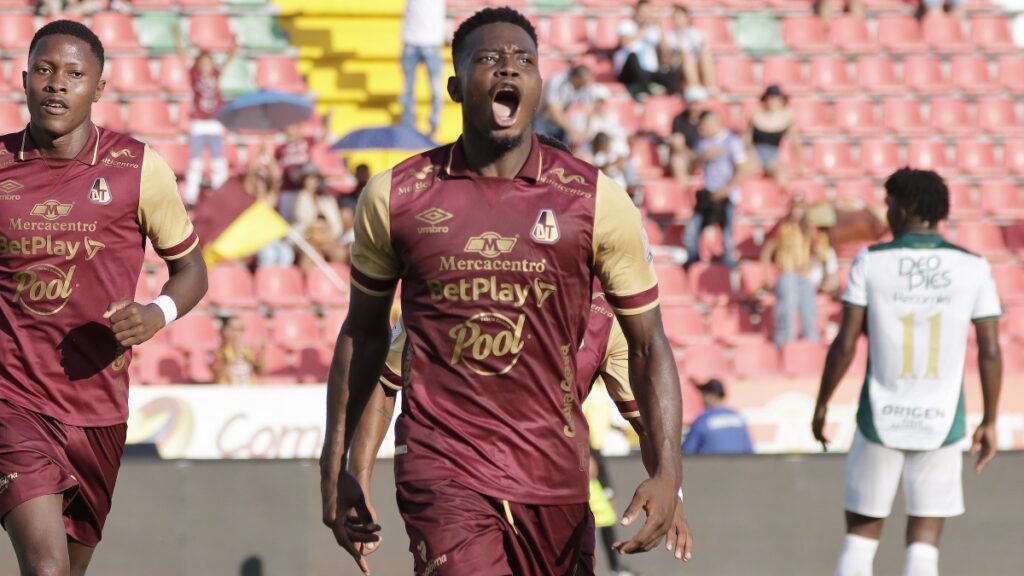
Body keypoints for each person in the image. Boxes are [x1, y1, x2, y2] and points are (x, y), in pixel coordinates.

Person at [319, 7, 684, 575]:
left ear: (539, 84)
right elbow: (364, 338)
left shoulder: (594, 198)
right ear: (456, 86)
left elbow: (648, 345)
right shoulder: (396, 196)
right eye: (488, 59)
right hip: (443, 469)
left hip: (555, 477)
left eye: (523, 61)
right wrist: (339, 467)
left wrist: (669, 479)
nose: (507, 70)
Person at [0, 20, 208, 576]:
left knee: (66, 571)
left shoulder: (137, 168)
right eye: (44, 70)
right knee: (44, 567)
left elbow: (191, 271)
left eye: (73, 73)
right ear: (23, 80)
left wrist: (155, 313)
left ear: (99, 88)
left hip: (99, 410)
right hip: (12, 401)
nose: (56, 84)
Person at [346, 287, 693, 574]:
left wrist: (669, 481)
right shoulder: (444, 268)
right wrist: (357, 481)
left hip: (554, 493)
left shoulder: (604, 311)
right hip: (452, 478)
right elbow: (385, 381)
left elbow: (646, 419)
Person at [813, 168, 1002, 576]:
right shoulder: (973, 266)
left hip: (879, 416)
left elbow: (845, 343)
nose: (886, 212)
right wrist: (989, 420)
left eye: (888, 203)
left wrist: (823, 403)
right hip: (942, 420)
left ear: (903, 207)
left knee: (860, 541)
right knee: (924, 547)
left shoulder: (872, 261)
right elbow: (989, 349)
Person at [760, 194, 836, 348]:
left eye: (800, 208)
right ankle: (784, 347)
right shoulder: (782, 226)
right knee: (786, 311)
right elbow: (767, 251)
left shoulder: (809, 227)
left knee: (809, 313)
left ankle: (810, 348)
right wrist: (766, 275)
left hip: (804, 275)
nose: (797, 211)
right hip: (787, 273)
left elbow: (818, 251)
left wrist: (809, 264)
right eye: (795, 207)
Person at [684, 110, 754, 270]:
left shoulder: (732, 142)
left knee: (727, 232)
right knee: (693, 229)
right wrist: (702, 157)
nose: (702, 130)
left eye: (704, 126)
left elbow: (743, 169)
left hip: (726, 194)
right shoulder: (703, 143)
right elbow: (692, 166)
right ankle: (692, 260)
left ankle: (728, 264)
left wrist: (727, 188)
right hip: (708, 192)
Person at [174, 26, 235, 209]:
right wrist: (177, 37)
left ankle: (220, 194)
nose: (206, 66)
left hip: (215, 123)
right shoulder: (195, 76)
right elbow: (183, 55)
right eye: (203, 62)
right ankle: (191, 198)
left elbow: (229, 59)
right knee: (196, 162)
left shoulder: (215, 75)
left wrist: (234, 44)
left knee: (218, 160)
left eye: (209, 62)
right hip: (199, 123)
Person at [614, 0, 682, 98]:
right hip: (629, 71)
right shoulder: (627, 25)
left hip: (648, 72)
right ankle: (645, 88)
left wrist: (661, 27)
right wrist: (644, 30)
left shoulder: (653, 30)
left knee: (671, 73)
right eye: (643, 11)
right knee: (633, 56)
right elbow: (625, 42)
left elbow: (665, 52)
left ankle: (670, 96)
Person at [399, 0, 446, 136]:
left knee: (435, 88)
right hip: (411, 41)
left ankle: (434, 123)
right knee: (408, 87)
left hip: (431, 42)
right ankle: (408, 124)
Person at [746, 85, 802, 187]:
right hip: (755, 153)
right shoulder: (755, 115)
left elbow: (795, 142)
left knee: (781, 176)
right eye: (771, 98)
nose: (773, 101)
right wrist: (750, 154)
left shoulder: (787, 116)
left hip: (772, 155)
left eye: (776, 98)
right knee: (745, 174)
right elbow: (747, 140)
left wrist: (800, 164)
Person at [682, 379, 754, 454]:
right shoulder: (738, 418)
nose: (702, 400)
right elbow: (749, 449)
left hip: (710, 464)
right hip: (740, 464)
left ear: (710, 396)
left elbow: (687, 452)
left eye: (704, 395)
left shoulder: (703, 420)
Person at [533, 64, 597, 148]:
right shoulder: (557, 81)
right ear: (577, 79)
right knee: (540, 149)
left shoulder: (583, 85)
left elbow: (589, 108)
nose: (586, 86)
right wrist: (573, 131)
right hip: (541, 119)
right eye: (584, 82)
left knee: (561, 153)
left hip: (559, 123)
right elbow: (554, 111)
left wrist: (586, 130)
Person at [666, 5, 717, 94]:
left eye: (680, 16)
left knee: (705, 54)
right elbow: (668, 57)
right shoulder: (670, 36)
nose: (678, 19)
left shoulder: (696, 33)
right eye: (676, 17)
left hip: (696, 63)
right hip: (679, 66)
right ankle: (694, 87)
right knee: (687, 56)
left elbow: (702, 49)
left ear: (687, 18)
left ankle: (709, 85)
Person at [668, 85, 708, 187]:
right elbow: (678, 143)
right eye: (692, 103)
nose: (694, 107)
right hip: (687, 156)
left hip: (705, 155)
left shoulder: (708, 118)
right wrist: (692, 156)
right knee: (677, 160)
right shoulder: (679, 119)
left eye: (697, 103)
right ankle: (684, 194)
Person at [212, 315, 261, 385]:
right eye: (236, 329)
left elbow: (262, 371)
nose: (239, 333)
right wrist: (233, 355)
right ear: (226, 331)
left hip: (249, 390)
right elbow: (217, 376)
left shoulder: (247, 351)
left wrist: (262, 354)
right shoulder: (218, 352)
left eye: (241, 329)